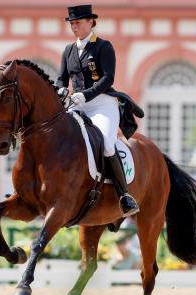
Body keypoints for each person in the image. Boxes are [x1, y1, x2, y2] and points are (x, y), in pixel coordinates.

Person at [56, 4, 139, 217]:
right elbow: (61, 78)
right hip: (76, 103)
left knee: (106, 143)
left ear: (91, 22)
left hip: (102, 103)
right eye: (72, 24)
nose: (74, 27)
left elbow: (108, 78)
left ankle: (124, 195)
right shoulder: (68, 50)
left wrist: (86, 95)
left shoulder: (103, 46)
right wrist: (62, 89)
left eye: (77, 23)